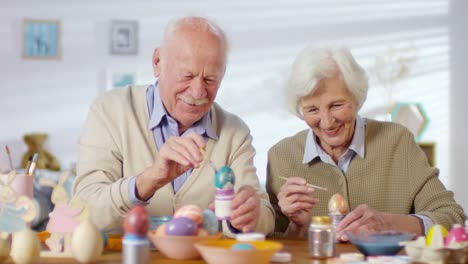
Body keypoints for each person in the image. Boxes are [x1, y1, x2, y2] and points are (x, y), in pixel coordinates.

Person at [73, 16, 274, 235]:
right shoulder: (110, 111)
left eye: (210, 80)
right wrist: (150, 179)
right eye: (186, 75)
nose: (198, 92)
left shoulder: (235, 133)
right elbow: (84, 210)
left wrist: (249, 216)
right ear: (157, 62)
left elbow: (265, 216)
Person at [266, 46, 466, 240]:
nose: (327, 122)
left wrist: (391, 223)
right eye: (312, 110)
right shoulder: (282, 155)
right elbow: (270, 241)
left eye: (336, 105)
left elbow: (452, 217)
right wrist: (298, 227)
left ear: (357, 97)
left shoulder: (397, 141)